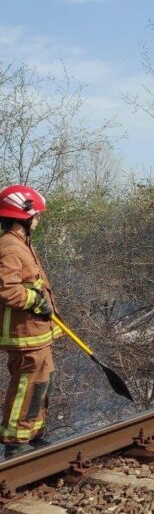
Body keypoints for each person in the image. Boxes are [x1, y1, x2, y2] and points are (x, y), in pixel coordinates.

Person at [0, 185, 61, 458]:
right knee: (26, 385)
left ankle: (33, 435)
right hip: (24, 335)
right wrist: (36, 302)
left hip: (37, 333)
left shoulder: (22, 243)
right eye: (35, 215)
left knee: (41, 382)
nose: (38, 220)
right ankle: (15, 443)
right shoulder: (9, 247)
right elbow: (6, 289)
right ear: (21, 216)